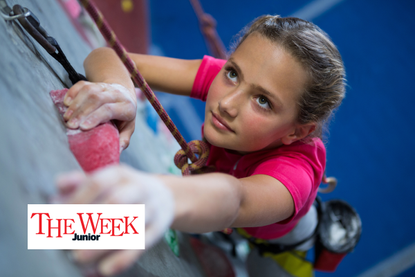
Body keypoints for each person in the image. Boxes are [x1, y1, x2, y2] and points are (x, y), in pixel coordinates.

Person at [55, 15, 346, 276]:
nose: (227, 103)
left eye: (263, 102)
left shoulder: (296, 173)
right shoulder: (228, 83)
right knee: (54, 230)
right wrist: (121, 92)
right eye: (233, 73)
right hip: (224, 209)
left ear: (297, 132)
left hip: (280, 254)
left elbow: (236, 199)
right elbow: (110, 58)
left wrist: (164, 194)